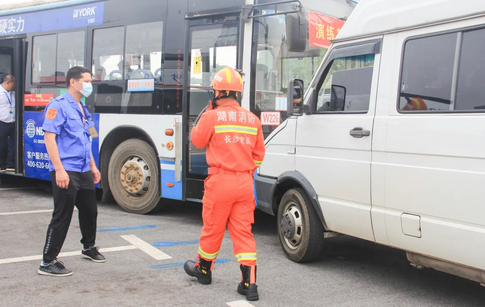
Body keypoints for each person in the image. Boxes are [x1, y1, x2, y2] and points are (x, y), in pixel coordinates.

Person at [184, 67, 265, 301]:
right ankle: (249, 284)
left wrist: (208, 113)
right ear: (238, 93)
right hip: (244, 183)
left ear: (218, 93)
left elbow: (197, 140)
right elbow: (259, 154)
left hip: (220, 181)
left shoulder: (212, 116)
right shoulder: (252, 119)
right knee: (243, 232)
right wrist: (246, 168)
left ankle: (203, 270)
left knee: (213, 228)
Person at [38, 66, 105, 277]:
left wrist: (93, 167)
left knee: (89, 210)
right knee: (62, 215)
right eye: (86, 80)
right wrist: (59, 170)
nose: (90, 85)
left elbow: (87, 139)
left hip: (83, 168)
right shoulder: (58, 106)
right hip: (66, 169)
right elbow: (49, 138)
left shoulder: (82, 107)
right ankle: (48, 262)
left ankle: (88, 247)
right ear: (73, 82)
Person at [0, 75, 16, 172]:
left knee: (15, 144)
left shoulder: (13, 93)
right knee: (2, 145)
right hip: (2, 122)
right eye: (12, 85)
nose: (13, 87)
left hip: (13, 122)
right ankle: (2, 164)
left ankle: (10, 164)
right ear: (7, 83)